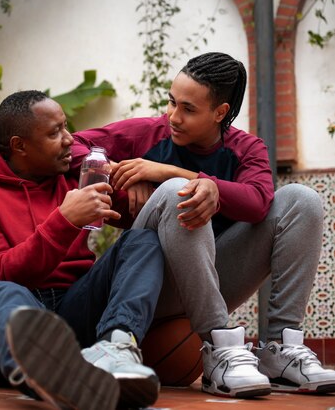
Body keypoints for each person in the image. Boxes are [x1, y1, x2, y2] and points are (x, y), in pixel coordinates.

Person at [71, 51, 335, 399]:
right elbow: (73, 145)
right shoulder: (147, 134)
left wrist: (172, 173)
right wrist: (120, 172)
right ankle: (218, 345)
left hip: (210, 280)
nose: (173, 117)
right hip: (149, 284)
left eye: (188, 109)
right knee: (180, 192)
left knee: (303, 199)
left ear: (220, 113)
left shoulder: (246, 148)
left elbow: (258, 202)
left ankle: (280, 351)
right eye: (171, 102)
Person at [0, 90, 165, 410]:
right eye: (54, 133)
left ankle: (115, 349)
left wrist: (143, 177)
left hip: (66, 313)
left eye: (66, 127)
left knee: (142, 242)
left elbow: (137, 213)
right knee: (4, 293)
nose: (68, 140)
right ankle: (45, 375)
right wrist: (64, 221)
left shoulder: (78, 178)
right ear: (20, 145)